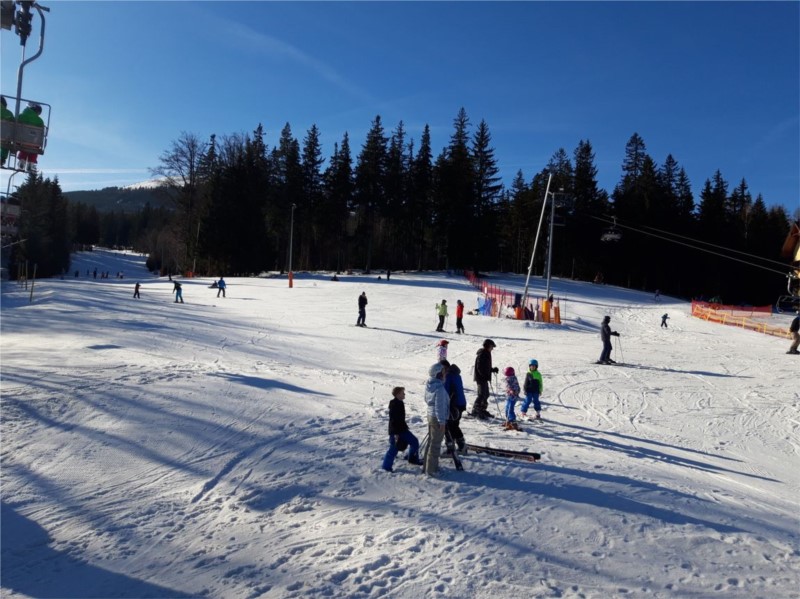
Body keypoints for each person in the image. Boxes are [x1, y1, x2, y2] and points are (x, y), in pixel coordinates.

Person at [381, 387, 422, 472]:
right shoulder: (394, 404)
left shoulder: (400, 402)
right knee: (394, 448)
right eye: (402, 393)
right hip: (396, 431)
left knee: (414, 441)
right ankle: (386, 467)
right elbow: (393, 420)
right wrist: (395, 433)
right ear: (398, 394)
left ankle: (412, 459)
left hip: (403, 429)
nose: (404, 394)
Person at [423, 362, 450, 476]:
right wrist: (442, 422)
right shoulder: (439, 388)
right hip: (437, 418)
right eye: (443, 372)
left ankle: (427, 466)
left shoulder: (430, 385)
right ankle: (432, 470)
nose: (444, 374)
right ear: (437, 374)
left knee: (431, 442)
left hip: (431, 416)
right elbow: (439, 406)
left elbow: (427, 400)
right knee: (435, 444)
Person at [470, 338, 498, 419]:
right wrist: (484, 375)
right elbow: (479, 367)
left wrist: (492, 370)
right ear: (488, 346)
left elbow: (486, 366)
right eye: (492, 347)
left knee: (486, 394)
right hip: (480, 378)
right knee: (481, 394)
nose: (492, 348)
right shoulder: (482, 353)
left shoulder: (486, 353)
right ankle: (475, 410)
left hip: (484, 378)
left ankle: (482, 409)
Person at [443, 362, 467, 454]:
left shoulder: (448, 376)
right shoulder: (456, 375)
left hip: (454, 405)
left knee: (450, 426)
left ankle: (453, 446)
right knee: (454, 425)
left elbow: (446, 391)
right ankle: (461, 445)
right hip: (460, 403)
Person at [15, 103, 44, 173]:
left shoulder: (20, 116)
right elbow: (40, 133)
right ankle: (31, 164)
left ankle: (22, 162)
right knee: (34, 150)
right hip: (34, 143)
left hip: (21, 141)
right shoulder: (40, 121)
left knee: (24, 147)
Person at [0, 96, 13, 167]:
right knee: (6, 143)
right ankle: (2, 159)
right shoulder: (9, 113)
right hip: (4, 136)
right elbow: (15, 125)